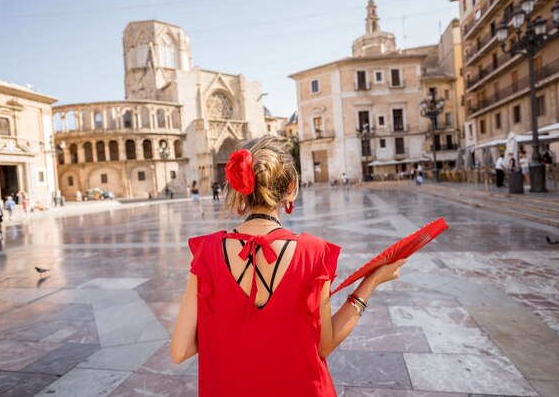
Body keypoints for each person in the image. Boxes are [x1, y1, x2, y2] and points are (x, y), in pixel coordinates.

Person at [170, 136, 406, 396]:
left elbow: (180, 351)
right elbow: (324, 346)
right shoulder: (313, 253)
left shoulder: (208, 252)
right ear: (291, 188)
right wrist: (370, 283)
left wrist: (228, 331)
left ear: (240, 187)